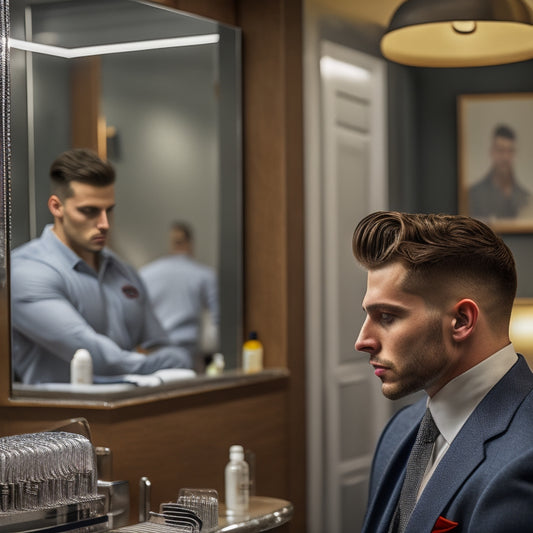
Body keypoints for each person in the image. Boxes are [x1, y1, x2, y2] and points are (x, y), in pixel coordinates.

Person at [352, 211, 533, 533]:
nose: (362, 341)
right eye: (368, 314)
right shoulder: (400, 429)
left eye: (388, 317)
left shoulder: (524, 461)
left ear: (462, 321)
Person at [11, 148, 192, 384]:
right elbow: (100, 360)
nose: (104, 224)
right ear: (57, 207)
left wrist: (170, 360)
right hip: (61, 419)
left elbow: (165, 347)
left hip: (131, 413)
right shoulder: (25, 272)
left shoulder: (123, 271)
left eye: (109, 210)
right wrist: (163, 367)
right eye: (89, 211)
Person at [140, 221, 219, 363]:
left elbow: (135, 313)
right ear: (190, 243)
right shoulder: (204, 275)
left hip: (154, 351)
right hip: (187, 351)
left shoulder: (146, 273)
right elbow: (218, 319)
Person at [468, 124, 531, 219]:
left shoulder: (525, 198)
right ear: (492, 152)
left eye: (510, 151)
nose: (505, 157)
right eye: (500, 150)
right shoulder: (474, 195)